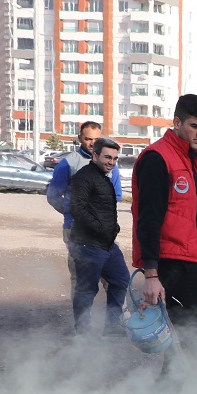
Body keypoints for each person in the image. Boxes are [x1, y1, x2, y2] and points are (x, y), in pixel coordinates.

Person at [133, 94, 197, 346]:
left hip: (189, 261)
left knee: (186, 334)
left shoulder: (191, 158)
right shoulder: (158, 158)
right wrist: (151, 275)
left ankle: (173, 384)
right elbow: (148, 218)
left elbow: (195, 219)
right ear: (176, 122)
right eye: (195, 126)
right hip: (167, 263)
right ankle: (188, 384)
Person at [66, 137, 131, 335]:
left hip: (107, 245)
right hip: (88, 245)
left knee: (120, 279)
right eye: (107, 157)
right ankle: (83, 333)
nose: (111, 162)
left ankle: (112, 326)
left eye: (114, 158)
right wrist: (101, 228)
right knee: (86, 291)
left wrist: (113, 228)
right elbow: (77, 208)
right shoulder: (84, 177)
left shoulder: (104, 177)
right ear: (95, 155)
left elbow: (103, 208)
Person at [48, 120, 123, 278]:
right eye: (88, 139)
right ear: (80, 138)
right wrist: (71, 212)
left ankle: (115, 304)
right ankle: (82, 304)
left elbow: (116, 195)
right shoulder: (68, 163)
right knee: (80, 276)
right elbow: (53, 195)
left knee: (112, 275)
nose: (92, 143)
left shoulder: (111, 164)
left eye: (96, 139)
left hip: (103, 229)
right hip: (75, 228)